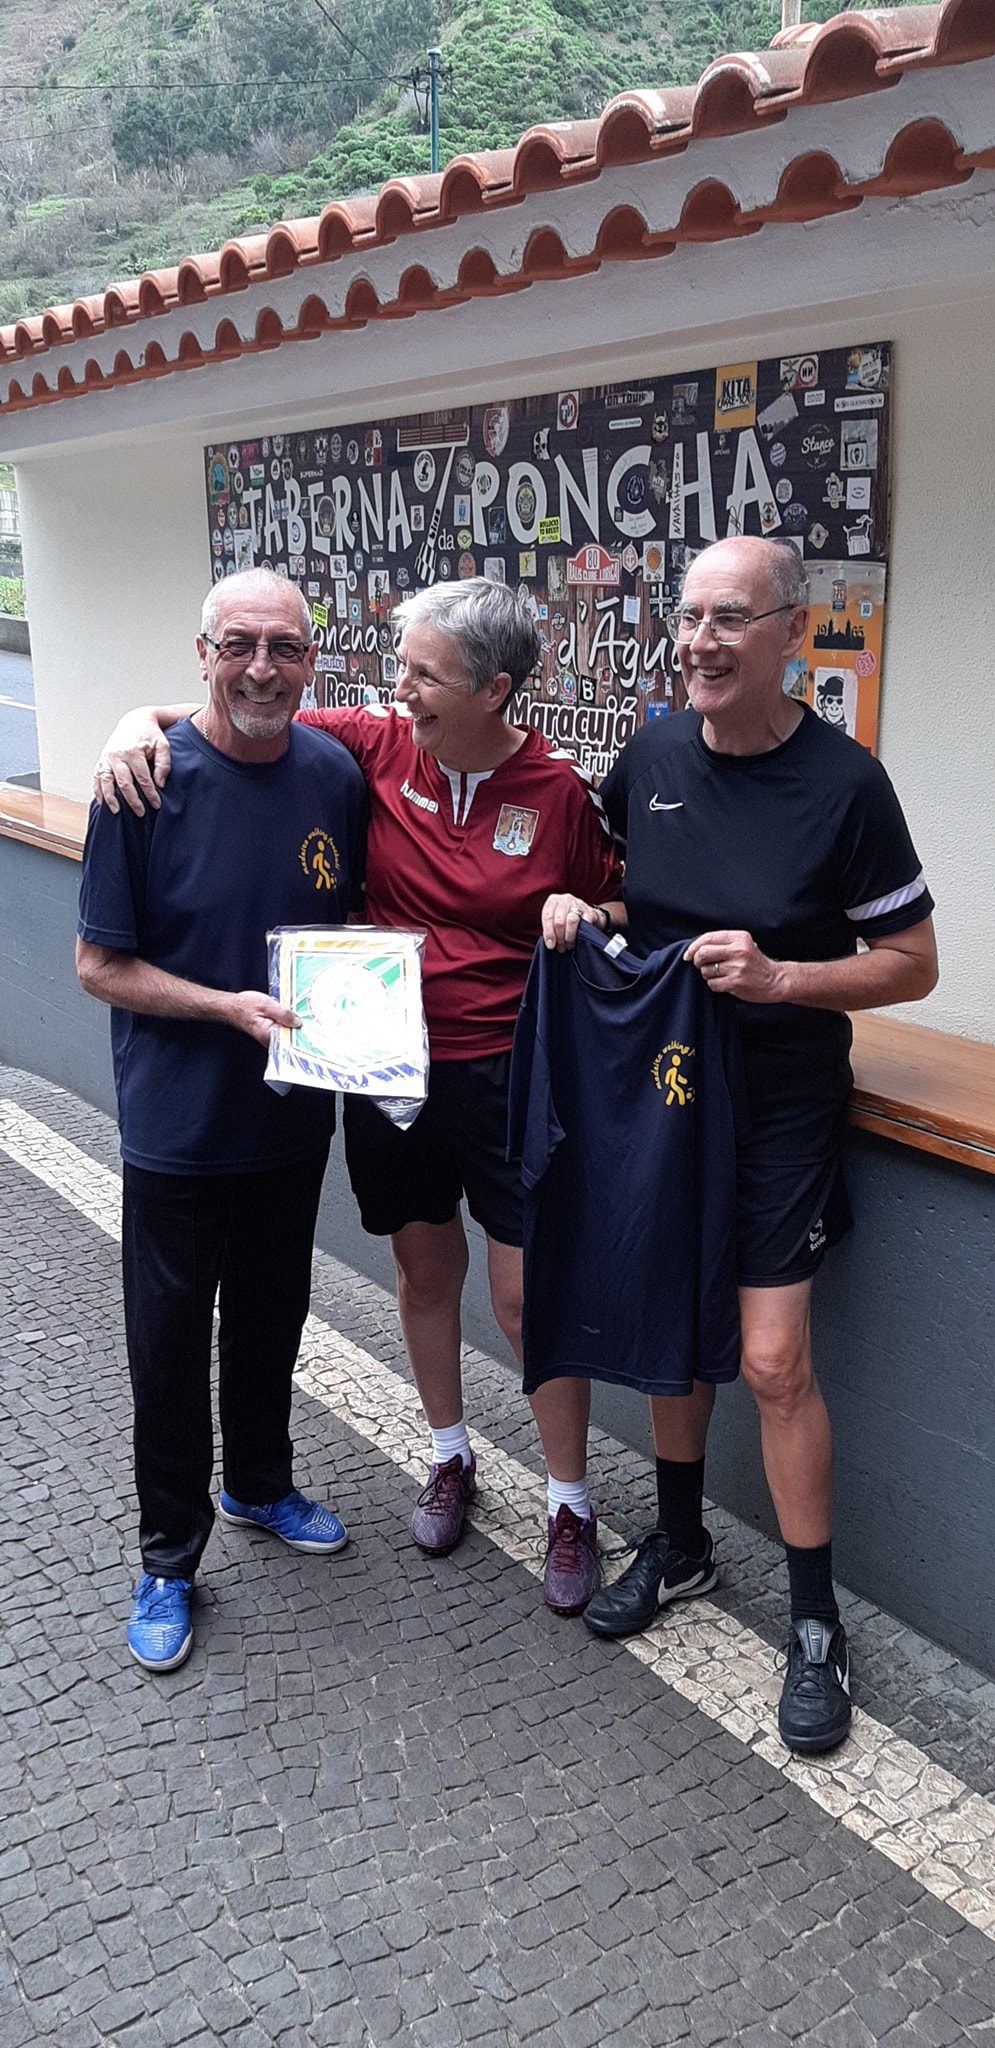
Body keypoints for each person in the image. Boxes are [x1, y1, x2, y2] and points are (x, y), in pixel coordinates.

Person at [93, 580, 623, 1617]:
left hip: (511, 1078)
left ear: (495, 688)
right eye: (401, 667)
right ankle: (443, 1457)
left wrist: (582, 903)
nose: (401, 688)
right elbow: (237, 706)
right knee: (420, 1271)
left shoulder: (554, 789)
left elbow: (619, 891)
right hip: (388, 1073)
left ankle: (568, 1502)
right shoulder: (375, 746)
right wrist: (126, 718)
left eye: (424, 673)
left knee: (524, 1295)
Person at [541, 536, 937, 1754]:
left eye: (728, 618)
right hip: (656, 1099)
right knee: (671, 1331)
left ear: (788, 634)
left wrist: (781, 977)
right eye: (686, 617)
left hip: (776, 1107)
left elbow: (913, 964)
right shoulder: (651, 753)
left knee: (769, 1361)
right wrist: (577, 906)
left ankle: (813, 1619)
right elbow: (628, 889)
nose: (698, 641)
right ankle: (681, 1547)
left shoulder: (845, 783)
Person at [77, 568, 367, 1672]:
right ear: (200, 652)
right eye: (238, 644)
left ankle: (257, 1481)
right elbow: (99, 964)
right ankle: (167, 1556)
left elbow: (342, 927)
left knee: (270, 1315)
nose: (261, 667)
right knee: (165, 1346)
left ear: (311, 658)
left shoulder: (334, 772)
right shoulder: (141, 781)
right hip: (177, 1129)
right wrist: (220, 1007)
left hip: (291, 1120)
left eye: (284, 647)